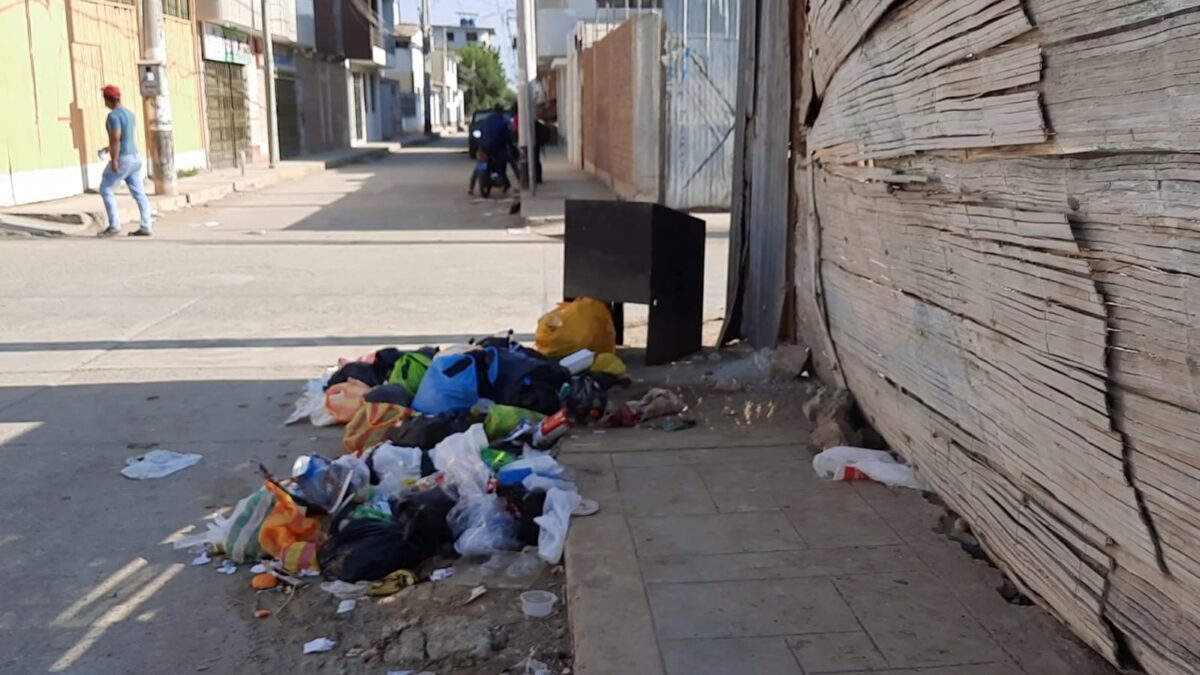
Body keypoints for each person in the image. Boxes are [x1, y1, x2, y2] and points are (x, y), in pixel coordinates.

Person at [97, 84, 152, 237]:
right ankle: (146, 225)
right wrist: (110, 148)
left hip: (123, 158)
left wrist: (114, 159)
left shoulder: (113, 116)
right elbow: (125, 138)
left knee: (106, 189)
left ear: (108, 99)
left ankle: (114, 225)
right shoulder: (129, 113)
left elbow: (116, 139)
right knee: (139, 193)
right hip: (135, 157)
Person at [475, 103, 512, 192]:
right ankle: (516, 180)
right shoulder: (504, 122)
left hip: (485, 148)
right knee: (508, 163)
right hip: (498, 149)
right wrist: (511, 145)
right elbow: (508, 138)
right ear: (501, 112)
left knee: (477, 167)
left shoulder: (487, 120)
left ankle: (471, 187)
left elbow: (481, 132)